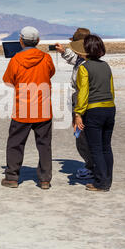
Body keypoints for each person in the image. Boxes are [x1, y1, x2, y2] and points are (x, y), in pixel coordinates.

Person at [1, 26, 56, 190]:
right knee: (44, 145)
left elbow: (8, 80)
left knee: (15, 144)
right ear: (38, 41)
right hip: (43, 108)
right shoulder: (46, 58)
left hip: (22, 109)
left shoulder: (16, 59)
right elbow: (50, 73)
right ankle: (45, 179)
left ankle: (12, 177)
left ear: (21, 41)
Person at [72, 34, 116, 192]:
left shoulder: (84, 67)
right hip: (110, 108)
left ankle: (101, 183)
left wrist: (78, 113)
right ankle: (107, 179)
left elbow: (82, 93)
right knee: (106, 147)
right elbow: (111, 90)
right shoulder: (106, 66)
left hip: (94, 110)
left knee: (95, 148)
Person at [54, 28, 94, 179]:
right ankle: (94, 166)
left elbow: (84, 90)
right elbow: (75, 59)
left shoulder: (87, 63)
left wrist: (78, 113)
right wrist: (63, 51)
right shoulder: (85, 58)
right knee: (85, 138)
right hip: (83, 105)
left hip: (83, 106)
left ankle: (92, 167)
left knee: (83, 139)